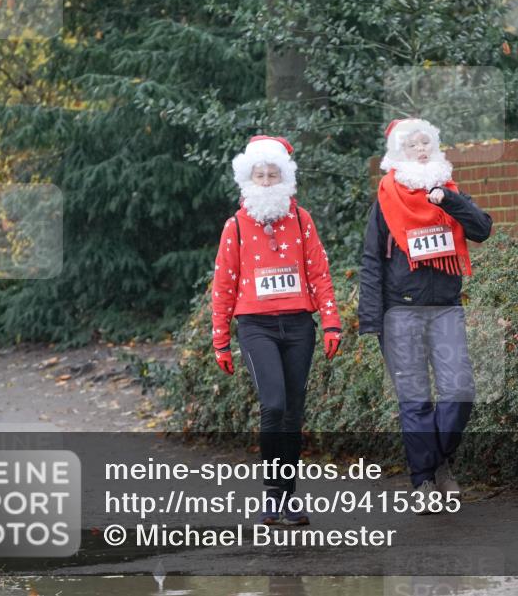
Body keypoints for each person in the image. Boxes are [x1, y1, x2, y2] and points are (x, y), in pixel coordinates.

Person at [357, 118, 493, 511]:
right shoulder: (385, 199)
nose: (420, 149)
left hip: (445, 307)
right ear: (399, 154)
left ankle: (435, 462)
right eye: (412, 144)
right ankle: (426, 482)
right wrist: (371, 318)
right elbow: (371, 261)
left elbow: (482, 229)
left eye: (425, 143)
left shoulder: (448, 192)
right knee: (415, 400)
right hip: (400, 311)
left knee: (460, 391)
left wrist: (448, 201)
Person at [211, 134, 341, 526]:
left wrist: (331, 321)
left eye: (273, 175)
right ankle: (271, 494)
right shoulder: (235, 226)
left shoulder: (301, 220)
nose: (267, 182)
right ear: (248, 179)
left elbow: (319, 271)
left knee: (293, 412)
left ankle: (289, 497)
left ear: (284, 178)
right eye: (260, 175)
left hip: (299, 326)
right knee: (274, 406)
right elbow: (224, 285)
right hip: (256, 328)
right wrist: (220, 342)